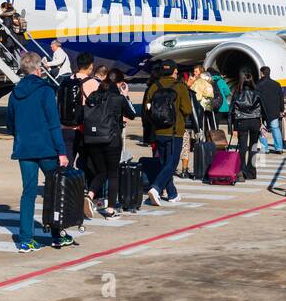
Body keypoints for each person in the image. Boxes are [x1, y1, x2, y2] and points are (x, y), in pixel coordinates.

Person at [7, 52, 70, 251]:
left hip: (24, 149)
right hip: (46, 148)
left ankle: (25, 239)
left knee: (28, 193)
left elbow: (10, 124)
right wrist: (62, 151)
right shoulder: (45, 91)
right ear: (38, 69)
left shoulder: (14, 93)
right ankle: (57, 234)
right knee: (54, 192)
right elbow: (53, 123)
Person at [81, 76, 137, 218]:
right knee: (113, 174)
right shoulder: (118, 99)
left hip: (92, 139)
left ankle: (90, 195)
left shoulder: (92, 97)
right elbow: (132, 114)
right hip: (111, 139)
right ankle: (110, 209)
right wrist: (125, 96)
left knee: (101, 172)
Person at [143, 60, 192, 206]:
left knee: (165, 163)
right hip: (175, 131)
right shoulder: (180, 87)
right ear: (173, 71)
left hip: (159, 130)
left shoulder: (154, 87)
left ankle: (172, 193)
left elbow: (146, 107)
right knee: (171, 163)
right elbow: (187, 109)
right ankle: (156, 188)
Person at [228, 72, 265, 179]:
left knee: (242, 147)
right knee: (253, 146)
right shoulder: (257, 93)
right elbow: (264, 108)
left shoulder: (237, 94)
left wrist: (232, 128)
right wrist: (265, 122)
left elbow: (231, 112)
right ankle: (252, 172)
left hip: (241, 122)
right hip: (255, 121)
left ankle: (242, 171)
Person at [256, 65, 286, 154]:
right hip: (274, 111)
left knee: (262, 129)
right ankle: (279, 148)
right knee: (275, 128)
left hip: (262, 111)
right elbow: (281, 98)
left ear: (262, 74)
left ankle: (265, 148)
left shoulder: (258, 84)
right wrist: (281, 109)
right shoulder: (276, 84)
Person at [189, 64, 217, 132]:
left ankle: (202, 140)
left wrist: (190, 85)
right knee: (210, 124)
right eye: (194, 71)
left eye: (196, 71)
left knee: (201, 125)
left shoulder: (199, 82)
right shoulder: (208, 80)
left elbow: (196, 95)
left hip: (200, 105)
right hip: (208, 104)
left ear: (200, 72)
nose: (194, 73)